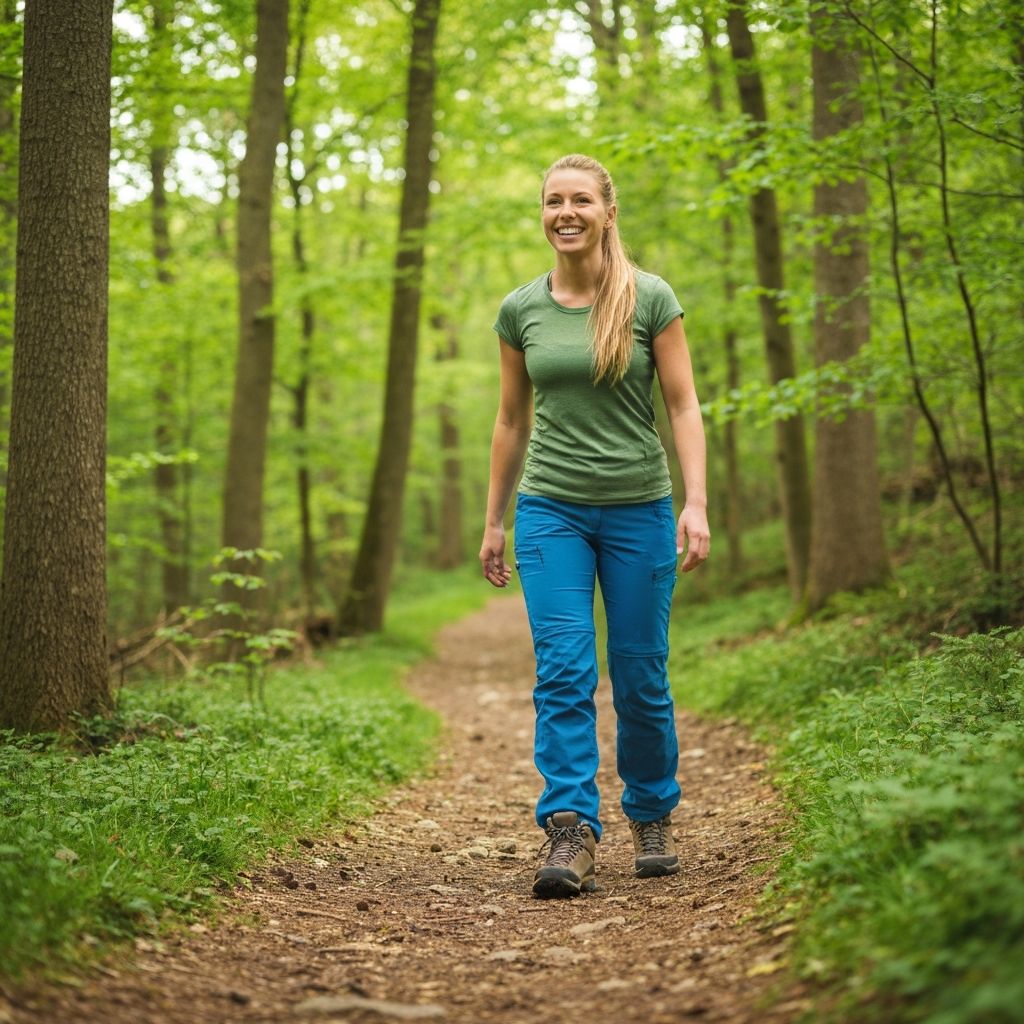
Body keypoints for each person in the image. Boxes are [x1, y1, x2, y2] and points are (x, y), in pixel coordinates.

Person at [478, 154, 710, 899]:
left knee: (640, 672)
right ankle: (570, 828)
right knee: (566, 667)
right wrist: (493, 521)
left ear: (608, 211)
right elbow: (511, 420)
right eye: (552, 201)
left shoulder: (649, 299)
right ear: (542, 214)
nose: (565, 212)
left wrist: (695, 500)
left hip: (639, 509)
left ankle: (651, 813)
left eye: (580, 199)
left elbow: (682, 405)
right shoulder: (522, 310)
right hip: (550, 510)